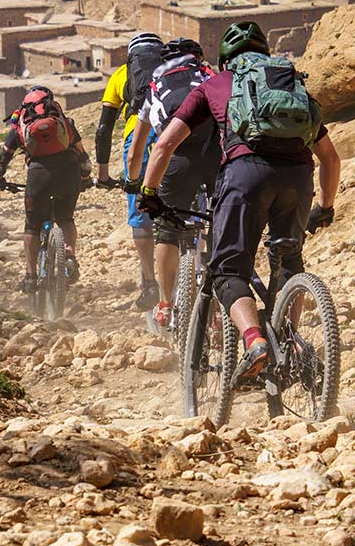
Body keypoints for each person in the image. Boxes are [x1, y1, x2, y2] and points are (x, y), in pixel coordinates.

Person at [139, 22, 338, 382]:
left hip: (245, 176)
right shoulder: (289, 84)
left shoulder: (213, 85)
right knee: (289, 258)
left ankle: (253, 341)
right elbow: (331, 158)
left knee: (228, 270)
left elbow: (165, 145)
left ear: (226, 59)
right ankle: (291, 343)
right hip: (298, 176)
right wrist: (325, 207)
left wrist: (149, 194)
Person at [121, 37, 218, 331]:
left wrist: (133, 182)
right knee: (218, 221)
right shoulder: (209, 77)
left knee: (166, 230)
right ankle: (217, 299)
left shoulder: (157, 85)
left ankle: (164, 303)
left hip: (176, 161)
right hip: (214, 154)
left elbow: (138, 149)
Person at [0, 86, 90, 293]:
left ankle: (30, 276)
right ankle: (69, 256)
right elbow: (84, 159)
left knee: (32, 226)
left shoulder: (20, 127)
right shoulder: (66, 123)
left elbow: (1, 160)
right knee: (66, 218)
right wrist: (86, 178)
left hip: (39, 175)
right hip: (68, 172)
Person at [94, 31, 164, 310]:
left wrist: (102, 174)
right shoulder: (175, 69)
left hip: (139, 141)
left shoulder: (121, 75)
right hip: (175, 138)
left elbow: (102, 130)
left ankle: (149, 282)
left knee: (140, 214)